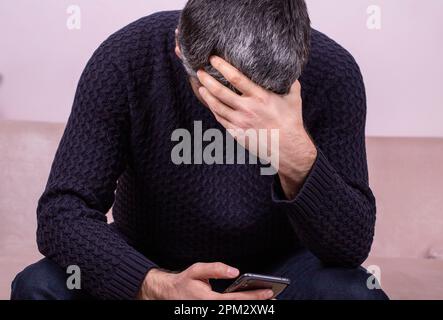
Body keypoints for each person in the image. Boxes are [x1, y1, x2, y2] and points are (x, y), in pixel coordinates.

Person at [11, 0, 388, 300]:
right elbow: (62, 213)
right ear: (180, 46)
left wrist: (295, 153)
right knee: (39, 285)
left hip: (279, 277)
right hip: (151, 264)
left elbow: (350, 247)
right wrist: (152, 285)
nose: (244, 109)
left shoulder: (333, 71)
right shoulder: (125, 59)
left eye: (267, 95)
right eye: (223, 94)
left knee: (354, 292)